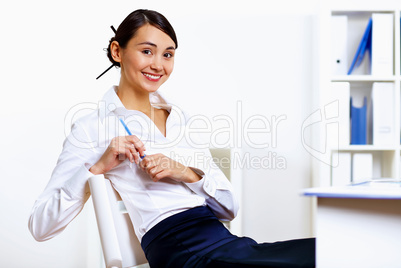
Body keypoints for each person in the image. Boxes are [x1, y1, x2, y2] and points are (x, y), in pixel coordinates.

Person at [28, 9, 315, 268]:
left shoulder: (181, 117)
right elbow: (40, 226)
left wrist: (185, 172)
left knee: (328, 252)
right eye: (147, 51)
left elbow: (229, 208)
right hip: (180, 250)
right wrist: (95, 169)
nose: (158, 65)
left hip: (224, 241)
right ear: (117, 51)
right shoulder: (93, 128)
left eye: (168, 54)